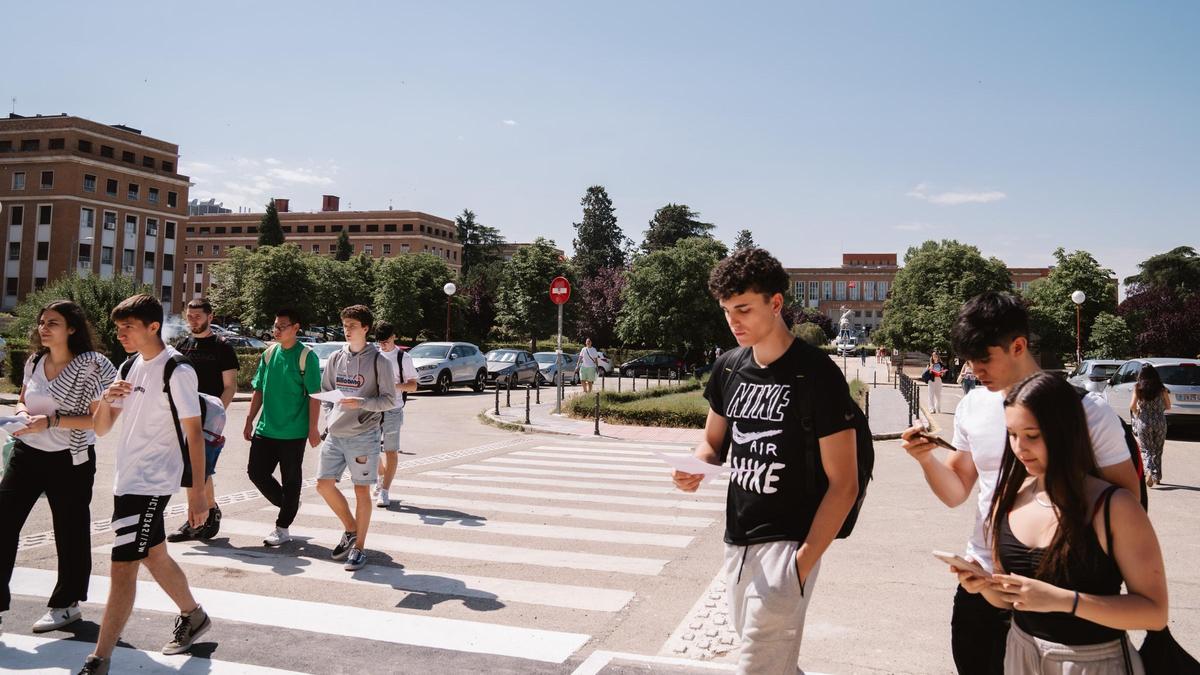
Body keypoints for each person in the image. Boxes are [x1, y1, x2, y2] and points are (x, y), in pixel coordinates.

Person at [901, 291, 1140, 675]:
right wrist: (926, 459)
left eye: (983, 358)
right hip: (983, 580)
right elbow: (956, 490)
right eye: (968, 359)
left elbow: (1127, 503)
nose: (974, 369)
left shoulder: (1086, 412)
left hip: (1056, 588)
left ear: (1018, 346)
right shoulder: (973, 406)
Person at [672, 248, 859, 674]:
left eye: (743, 309)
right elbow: (712, 443)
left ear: (776, 304)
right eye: (726, 311)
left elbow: (844, 483)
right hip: (736, 539)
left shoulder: (817, 374)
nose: (733, 321)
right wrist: (695, 467)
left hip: (789, 543)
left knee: (756, 667)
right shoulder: (729, 368)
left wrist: (799, 566)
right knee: (774, 666)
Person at [957, 372, 1167, 673]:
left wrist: (1063, 600)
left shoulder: (1114, 507)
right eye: (1012, 435)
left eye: (1032, 435)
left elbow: (1154, 613)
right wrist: (983, 585)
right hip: (1020, 655)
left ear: (1065, 431)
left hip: (1093, 661)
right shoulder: (1009, 497)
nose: (1019, 448)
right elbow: (1010, 600)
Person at [81, 294, 211, 674]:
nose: (120, 334)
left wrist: (198, 494)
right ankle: (194, 615)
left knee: (122, 567)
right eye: (118, 327)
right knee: (153, 554)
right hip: (127, 479)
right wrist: (106, 399)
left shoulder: (177, 370)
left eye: (128, 327)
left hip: (151, 483)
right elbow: (102, 428)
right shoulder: (129, 364)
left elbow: (195, 435)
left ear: (153, 326)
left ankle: (99, 659)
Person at [0, 301, 115, 635]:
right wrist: (22, 415)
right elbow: (23, 398)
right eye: (42, 322)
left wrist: (49, 422)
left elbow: (98, 420)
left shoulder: (89, 367)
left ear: (72, 329)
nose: (43, 327)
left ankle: (66, 605)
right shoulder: (35, 361)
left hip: (70, 459)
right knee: (4, 524)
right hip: (26, 454)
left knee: (70, 532)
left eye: (53, 322)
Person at [315, 305, 395, 571]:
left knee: (361, 490)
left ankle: (359, 548)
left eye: (352, 325)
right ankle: (351, 528)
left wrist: (360, 403)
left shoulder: (378, 361)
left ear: (365, 328)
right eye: (345, 325)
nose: (347, 330)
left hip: (364, 434)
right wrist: (329, 415)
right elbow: (327, 390)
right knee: (323, 485)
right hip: (335, 433)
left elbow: (388, 400)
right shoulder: (337, 358)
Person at [245, 309, 322, 547]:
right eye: (275, 326)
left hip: (293, 432)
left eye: (282, 326)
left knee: (291, 480)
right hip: (266, 429)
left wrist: (313, 428)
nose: (276, 330)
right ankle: (289, 504)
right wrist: (249, 419)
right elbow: (259, 389)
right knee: (256, 473)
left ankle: (282, 527)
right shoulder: (269, 353)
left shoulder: (306, 356)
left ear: (296, 328)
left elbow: (314, 395)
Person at [168, 298, 237, 542]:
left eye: (198, 316)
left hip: (208, 418)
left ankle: (200, 518)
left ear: (210, 316)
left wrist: (217, 413)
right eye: (189, 316)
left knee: (199, 469)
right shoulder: (182, 344)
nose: (193, 320)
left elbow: (230, 386)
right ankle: (207, 513)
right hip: (183, 417)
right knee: (191, 469)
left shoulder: (222, 346)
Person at [373, 321, 418, 508]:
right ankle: (381, 476)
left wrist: (394, 387)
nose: (382, 345)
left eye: (385, 341)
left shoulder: (403, 358)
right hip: (374, 408)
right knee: (370, 449)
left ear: (393, 337)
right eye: (379, 342)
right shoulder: (374, 355)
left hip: (393, 408)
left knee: (390, 450)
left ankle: (384, 491)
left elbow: (413, 385)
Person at [1130, 364, 1170, 487]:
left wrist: (1138, 413)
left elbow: (1132, 406)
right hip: (1159, 422)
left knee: (1146, 449)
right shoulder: (1162, 389)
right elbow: (1168, 406)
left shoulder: (1138, 387)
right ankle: (1156, 476)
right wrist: (1158, 410)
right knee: (1158, 450)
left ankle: (1148, 472)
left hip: (1144, 421)